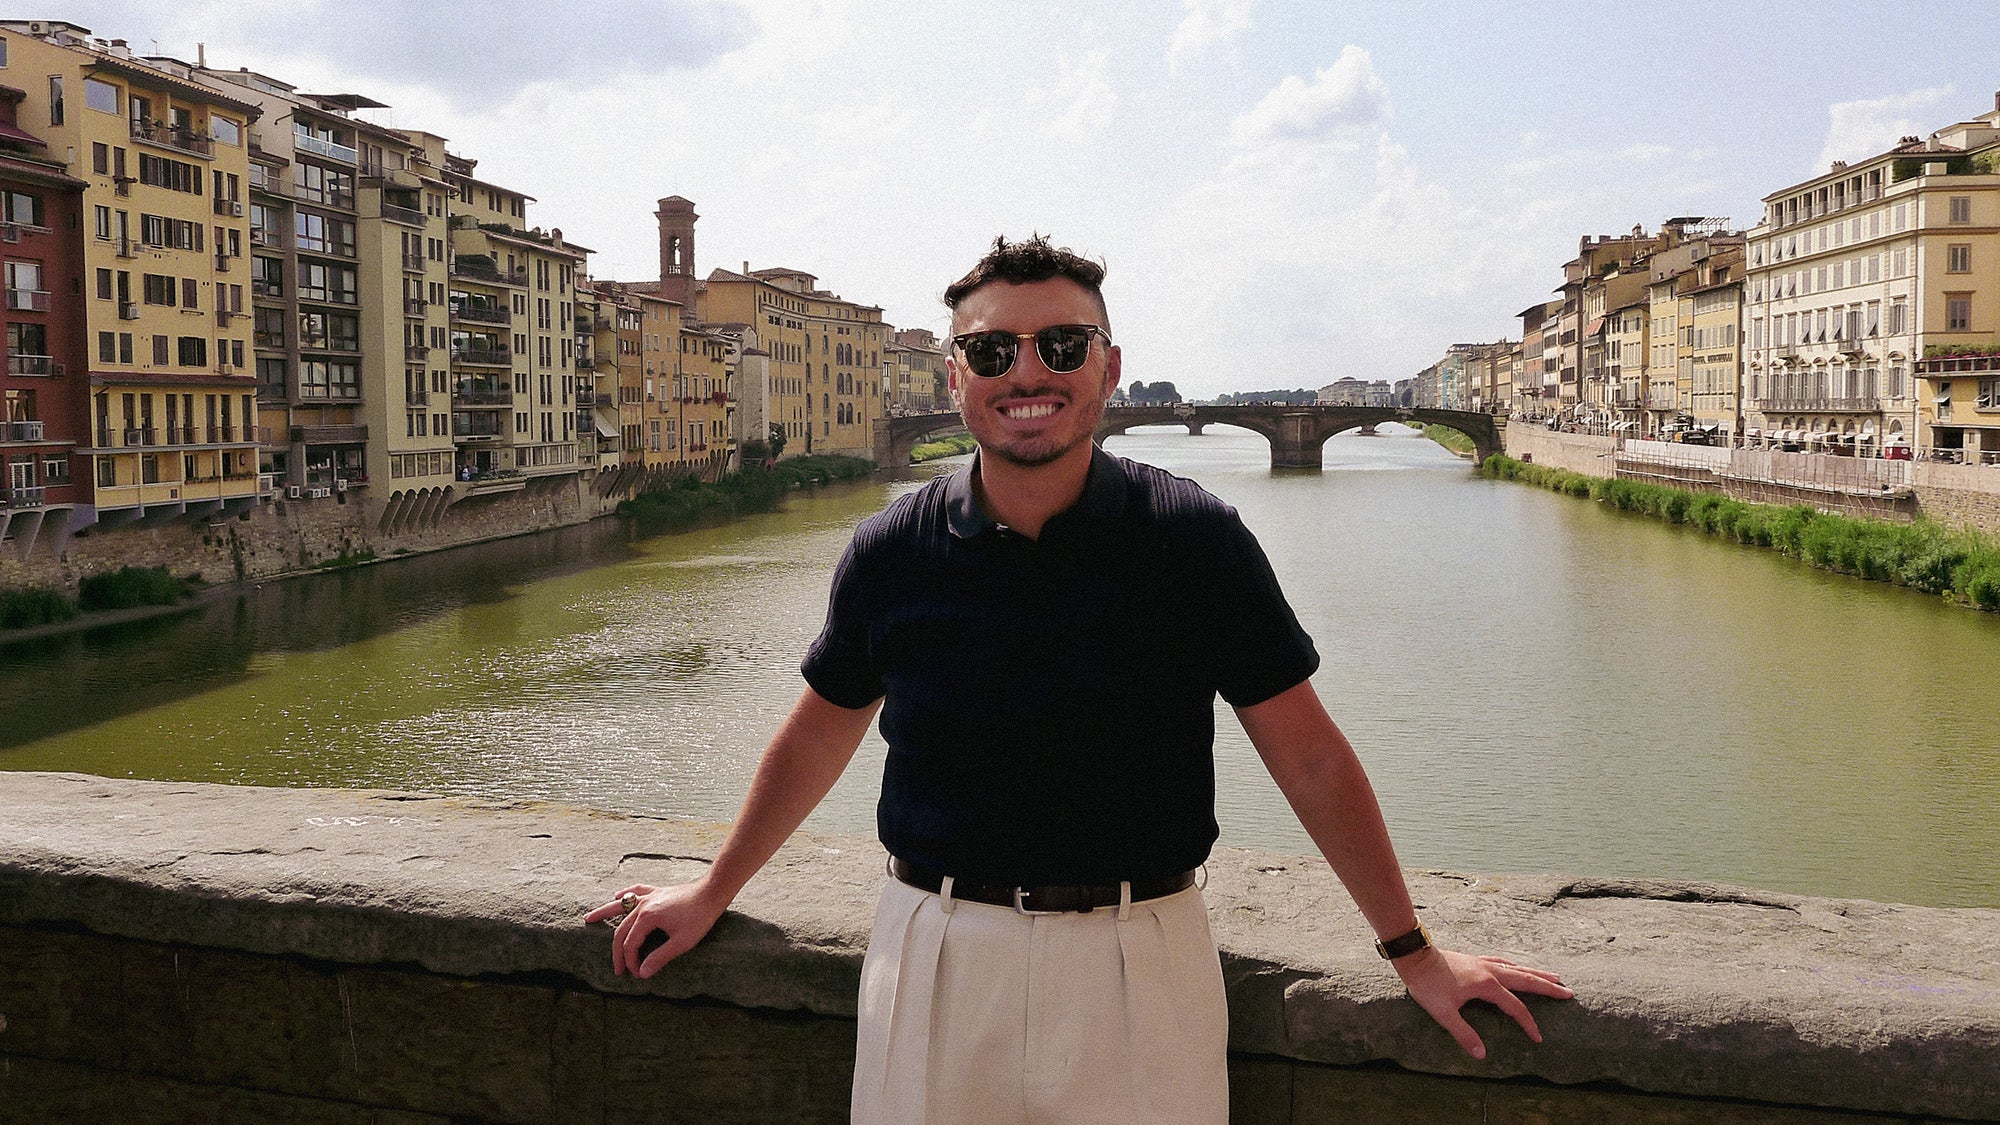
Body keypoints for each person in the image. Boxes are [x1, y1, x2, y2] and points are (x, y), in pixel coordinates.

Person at [587, 235, 1573, 1124]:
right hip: (933, 950)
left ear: (1106, 370)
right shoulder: (892, 549)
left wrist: (1412, 952)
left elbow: (1308, 757)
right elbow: (816, 734)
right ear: (954, 376)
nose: (1028, 372)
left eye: (1061, 346)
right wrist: (715, 889)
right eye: (992, 350)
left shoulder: (1193, 538)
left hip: (1139, 955)